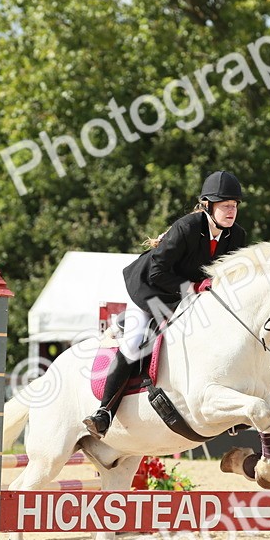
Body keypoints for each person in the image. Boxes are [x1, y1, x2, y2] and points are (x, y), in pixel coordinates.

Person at [83, 170, 248, 438]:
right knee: (136, 342)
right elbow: (157, 273)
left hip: (193, 296)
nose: (232, 211)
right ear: (208, 205)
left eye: (235, 206)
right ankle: (104, 413)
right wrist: (193, 287)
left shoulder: (236, 236)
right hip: (152, 288)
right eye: (226, 205)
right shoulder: (187, 228)